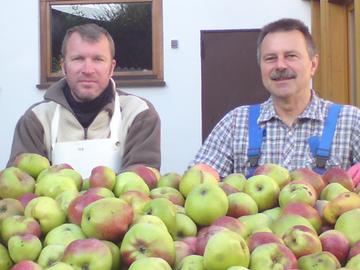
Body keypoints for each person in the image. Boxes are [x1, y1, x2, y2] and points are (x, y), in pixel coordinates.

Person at [191, 18, 360, 180]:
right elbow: (195, 182)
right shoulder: (235, 123)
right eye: (270, 58)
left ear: (313, 65)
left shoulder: (351, 121)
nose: (280, 66)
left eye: (291, 56)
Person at [7, 23, 161, 177]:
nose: (88, 70)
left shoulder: (138, 114)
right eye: (78, 59)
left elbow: (140, 186)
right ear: (63, 66)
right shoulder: (37, 119)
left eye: (98, 59)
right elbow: (19, 188)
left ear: (112, 67)